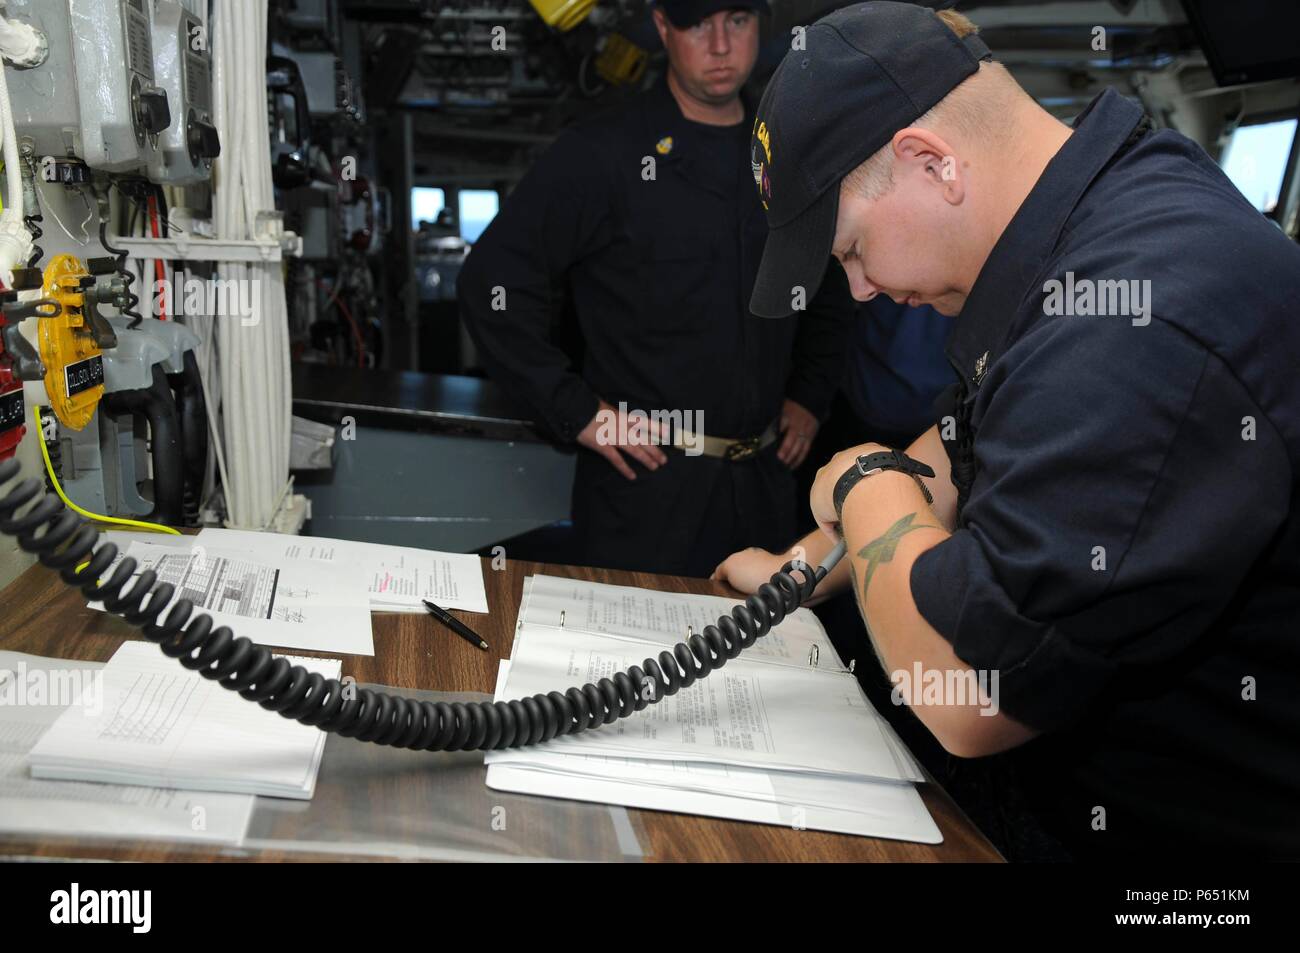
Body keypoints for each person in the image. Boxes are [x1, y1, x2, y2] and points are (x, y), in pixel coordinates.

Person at [716, 1, 1300, 859]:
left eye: (848, 251)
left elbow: (965, 689)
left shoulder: (1137, 321)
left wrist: (860, 488)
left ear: (930, 163)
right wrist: (797, 572)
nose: (862, 291)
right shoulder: (1103, 211)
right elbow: (960, 442)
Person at [458, 0, 852, 578]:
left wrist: (811, 396)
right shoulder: (602, 154)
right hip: (646, 494)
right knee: (640, 666)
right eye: (697, 24)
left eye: (737, 21)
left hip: (764, 489)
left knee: (763, 662)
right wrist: (576, 410)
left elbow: (831, 282)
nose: (720, 45)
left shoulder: (789, 156)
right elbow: (492, 284)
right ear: (664, 27)